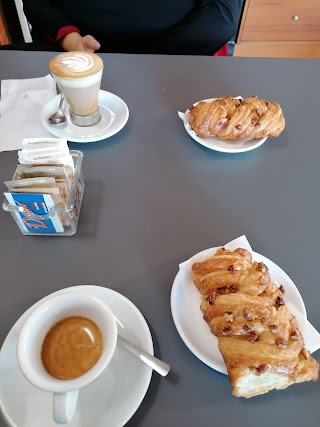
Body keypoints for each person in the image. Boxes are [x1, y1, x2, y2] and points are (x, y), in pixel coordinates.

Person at [22, 0, 243, 55]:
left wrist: (146, 62)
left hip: (175, 56)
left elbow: (223, 15)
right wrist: (69, 38)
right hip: (73, 53)